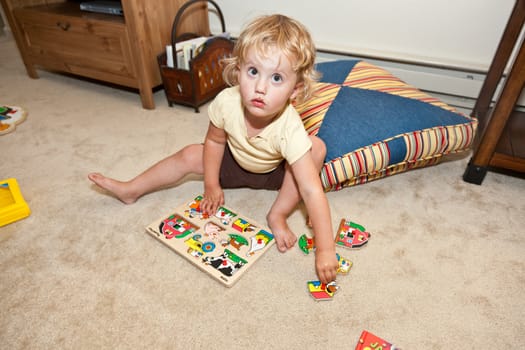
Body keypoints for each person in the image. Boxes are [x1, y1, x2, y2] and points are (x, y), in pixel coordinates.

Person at [88, 14, 338, 284]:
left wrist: (325, 249)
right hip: (232, 162)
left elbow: (312, 190)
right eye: (253, 72)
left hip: (276, 173)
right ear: (238, 69)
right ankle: (131, 189)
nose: (260, 88)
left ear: (295, 91)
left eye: (276, 78)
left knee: (316, 148)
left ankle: (277, 214)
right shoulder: (226, 102)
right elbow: (215, 142)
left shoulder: (290, 127)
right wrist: (210, 184)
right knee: (189, 153)